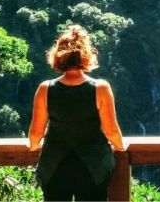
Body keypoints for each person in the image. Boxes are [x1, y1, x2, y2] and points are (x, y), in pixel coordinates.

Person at [28, 25, 125, 201]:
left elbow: (35, 134)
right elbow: (111, 131)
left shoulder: (45, 89)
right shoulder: (100, 88)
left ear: (57, 56)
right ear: (87, 55)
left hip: (55, 166)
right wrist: (120, 147)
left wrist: (34, 147)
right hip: (92, 167)